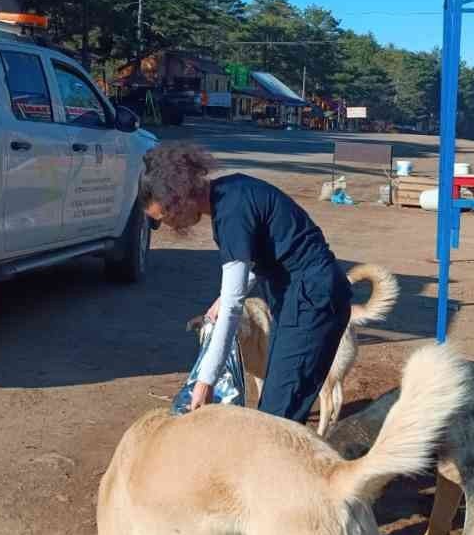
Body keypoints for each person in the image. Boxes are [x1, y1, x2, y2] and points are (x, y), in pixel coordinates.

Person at [139, 142, 352, 422]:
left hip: (312, 300)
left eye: (164, 217)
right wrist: (222, 299)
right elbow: (267, 252)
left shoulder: (231, 215)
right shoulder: (232, 191)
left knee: (276, 418)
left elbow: (233, 307)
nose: (168, 225)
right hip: (302, 297)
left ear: (179, 198)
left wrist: (206, 381)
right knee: (278, 402)